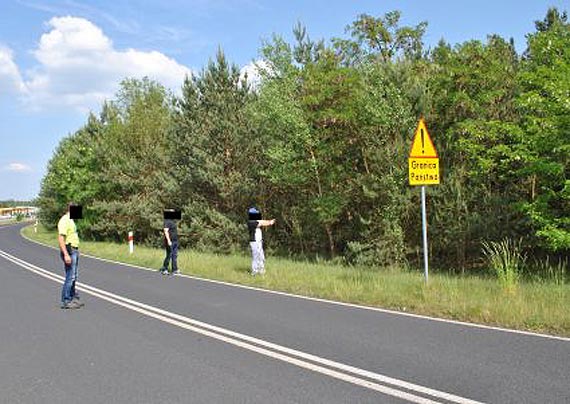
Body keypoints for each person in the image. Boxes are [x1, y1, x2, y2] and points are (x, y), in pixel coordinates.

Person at [57, 203, 84, 309]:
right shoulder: (64, 220)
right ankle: (66, 300)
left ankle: (73, 298)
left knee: (74, 276)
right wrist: (66, 254)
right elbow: (61, 239)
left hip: (74, 250)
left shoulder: (71, 220)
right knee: (70, 277)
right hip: (69, 251)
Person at [247, 207, 275, 275]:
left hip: (259, 241)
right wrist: (270, 222)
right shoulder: (251, 222)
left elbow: (261, 221)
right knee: (256, 256)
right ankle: (254, 271)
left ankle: (261, 270)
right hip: (254, 242)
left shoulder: (255, 221)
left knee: (261, 255)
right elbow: (262, 223)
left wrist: (269, 222)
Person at [160, 210, 179, 275]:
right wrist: (168, 241)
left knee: (175, 255)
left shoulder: (173, 221)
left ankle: (175, 269)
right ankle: (164, 268)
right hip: (170, 241)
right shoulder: (167, 221)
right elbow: (165, 231)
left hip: (175, 241)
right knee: (169, 255)